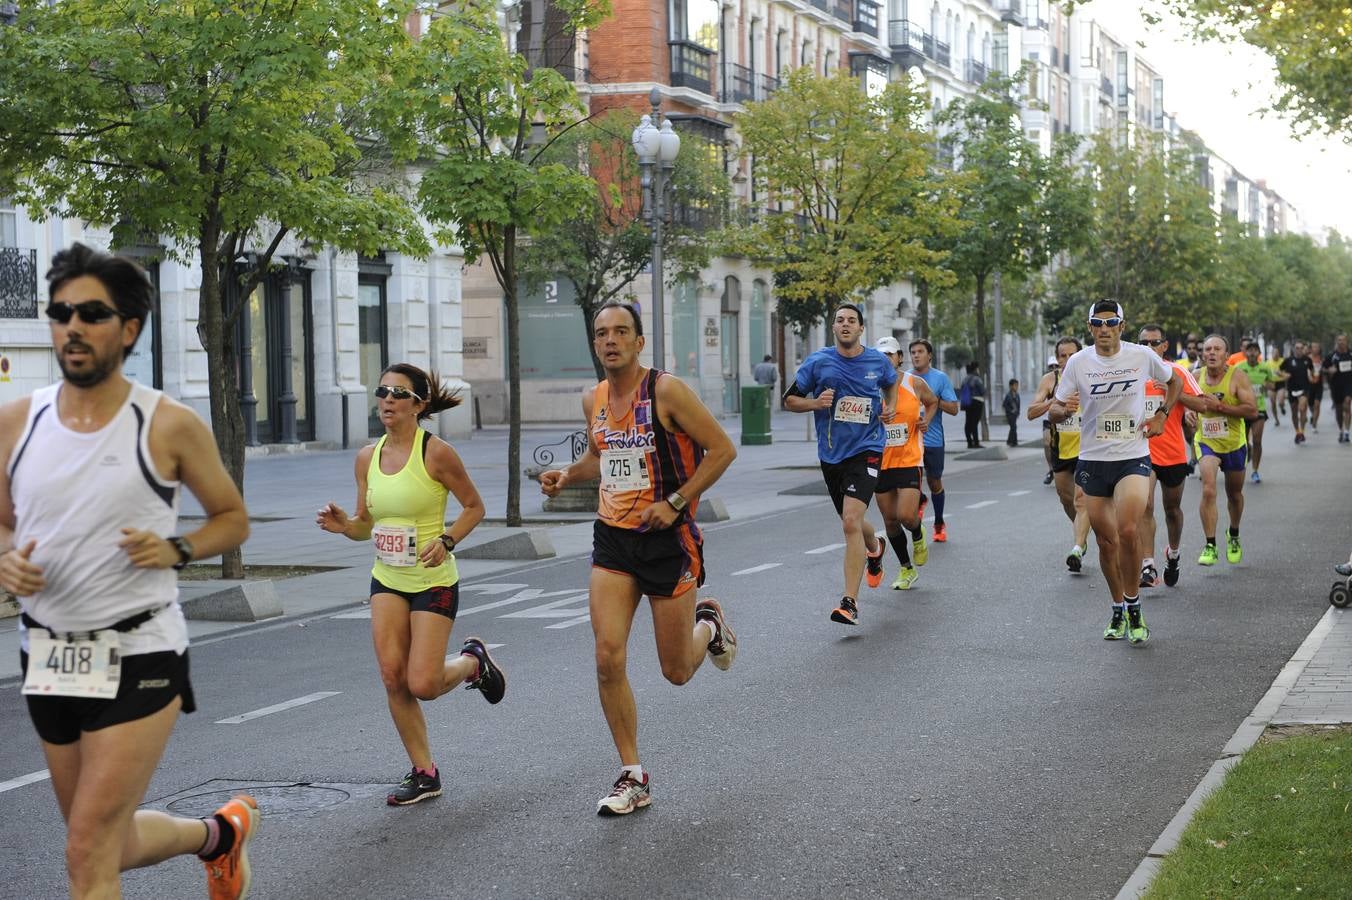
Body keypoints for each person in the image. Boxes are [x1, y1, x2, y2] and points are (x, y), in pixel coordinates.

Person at [0, 244, 256, 899]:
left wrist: (177, 550)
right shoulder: (16, 423)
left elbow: (230, 518)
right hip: (49, 653)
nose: (72, 327)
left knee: (86, 852)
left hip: (139, 651)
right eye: (61, 313)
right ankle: (220, 836)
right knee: (108, 844)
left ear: (129, 328)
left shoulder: (167, 424)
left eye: (91, 313)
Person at [539, 302, 738, 815]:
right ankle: (632, 775)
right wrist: (567, 475)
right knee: (608, 656)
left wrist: (674, 503)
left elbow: (721, 450)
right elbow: (600, 457)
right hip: (613, 539)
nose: (610, 340)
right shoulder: (595, 399)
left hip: (666, 540)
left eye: (621, 331)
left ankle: (708, 627)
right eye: (602, 333)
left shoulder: (666, 391)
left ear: (639, 341)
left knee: (676, 671)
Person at [317, 362, 504, 806]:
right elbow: (367, 524)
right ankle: (425, 773)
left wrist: (447, 539)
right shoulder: (367, 457)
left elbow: (474, 507)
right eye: (382, 391)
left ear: (419, 404)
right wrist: (347, 525)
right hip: (387, 578)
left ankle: (472, 663)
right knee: (392, 677)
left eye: (398, 393)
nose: (387, 400)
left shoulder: (436, 453)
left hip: (433, 580)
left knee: (423, 683)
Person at [1049, 300, 1181, 645]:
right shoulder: (1078, 363)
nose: (1104, 329)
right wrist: (1061, 412)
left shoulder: (1141, 355)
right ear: (1090, 327)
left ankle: (1135, 604)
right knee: (1106, 543)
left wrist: (1162, 414)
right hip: (1093, 460)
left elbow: (1175, 381)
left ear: (1122, 326)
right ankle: (1118, 606)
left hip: (1132, 456)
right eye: (1097, 323)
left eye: (1111, 323)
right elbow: (1056, 407)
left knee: (1127, 529)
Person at [784, 302, 897, 625]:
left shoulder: (877, 360)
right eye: (840, 320)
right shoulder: (818, 362)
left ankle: (849, 603)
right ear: (833, 327)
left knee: (849, 521)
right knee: (854, 523)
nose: (845, 324)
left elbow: (891, 384)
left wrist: (889, 406)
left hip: (868, 448)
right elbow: (790, 400)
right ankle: (875, 548)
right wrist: (814, 403)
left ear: (862, 329)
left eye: (851, 320)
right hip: (832, 453)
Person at [1136, 324, 1205, 588]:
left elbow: (1203, 404)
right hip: (1142, 451)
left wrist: (1172, 394)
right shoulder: (1132, 374)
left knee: (1172, 510)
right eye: (1143, 343)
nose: (1148, 348)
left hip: (1173, 453)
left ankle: (1173, 554)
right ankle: (1148, 565)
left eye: (1154, 343)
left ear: (1165, 346)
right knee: (1145, 505)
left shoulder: (1177, 372)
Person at [872, 337, 938, 591]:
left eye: (890, 355)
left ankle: (918, 532)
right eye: (880, 356)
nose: (885, 360)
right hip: (880, 461)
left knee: (906, 516)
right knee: (889, 520)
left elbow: (932, 402)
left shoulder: (914, 383)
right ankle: (906, 568)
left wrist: (927, 420)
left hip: (909, 458)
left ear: (899, 357)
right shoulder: (869, 387)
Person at [1028, 336, 1092, 573]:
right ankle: (1082, 533)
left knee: (1081, 499)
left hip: (1087, 450)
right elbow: (1031, 412)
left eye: (1071, 355)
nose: (1066, 360)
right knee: (1067, 501)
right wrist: (1053, 403)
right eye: (1062, 356)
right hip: (1061, 449)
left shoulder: (1090, 375)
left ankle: (1077, 545)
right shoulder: (1050, 379)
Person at [1194, 335, 1258, 566]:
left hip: (1233, 444)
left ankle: (1233, 533)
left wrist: (1220, 406)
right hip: (1207, 442)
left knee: (1234, 495)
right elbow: (1184, 402)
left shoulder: (1237, 377)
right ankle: (1210, 544)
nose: (1211, 353)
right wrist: (1189, 413)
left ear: (1226, 355)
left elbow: (1252, 411)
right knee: (1209, 489)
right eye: (1207, 348)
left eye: (1216, 349)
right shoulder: (1195, 377)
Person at [908, 340, 960, 542]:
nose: (916, 355)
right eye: (912, 352)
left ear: (929, 355)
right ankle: (919, 501)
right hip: (911, 440)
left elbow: (954, 409)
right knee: (911, 483)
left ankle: (939, 522)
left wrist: (934, 401)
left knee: (934, 481)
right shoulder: (905, 378)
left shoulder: (940, 378)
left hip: (933, 439)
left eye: (920, 352)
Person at [1235, 341, 1279, 483]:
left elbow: (1273, 385)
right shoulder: (1239, 368)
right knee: (1243, 442)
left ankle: (1255, 471)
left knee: (1257, 440)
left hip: (1258, 409)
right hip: (1242, 409)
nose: (1252, 353)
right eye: (1250, 350)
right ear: (1245, 353)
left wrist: (1266, 384)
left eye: (1255, 350)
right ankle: (1248, 450)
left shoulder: (1265, 368)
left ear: (1259, 353)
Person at [1279, 340, 1317, 444]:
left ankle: (1303, 431)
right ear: (1294, 349)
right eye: (1297, 348)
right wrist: (1283, 375)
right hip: (1292, 389)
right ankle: (1297, 432)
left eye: (1301, 348)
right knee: (1294, 412)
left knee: (1302, 408)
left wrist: (1311, 375)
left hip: (1304, 388)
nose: (1299, 350)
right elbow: (1279, 370)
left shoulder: (1307, 360)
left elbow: (1313, 370)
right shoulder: (1288, 360)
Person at [1322, 333, 1352, 443]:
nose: (1341, 342)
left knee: (1347, 404)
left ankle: (1347, 432)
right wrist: (1329, 370)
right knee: (1339, 410)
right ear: (1336, 342)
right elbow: (1323, 369)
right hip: (1336, 385)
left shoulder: (1350, 354)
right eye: (1339, 340)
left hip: (1349, 384)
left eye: (1343, 340)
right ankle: (1341, 430)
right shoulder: (1331, 356)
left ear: (1346, 341)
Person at [960, 361, 986, 448]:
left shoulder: (965, 379)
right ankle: (976, 442)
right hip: (977, 402)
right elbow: (982, 391)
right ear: (976, 369)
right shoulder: (977, 379)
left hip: (967, 402)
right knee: (975, 423)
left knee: (968, 422)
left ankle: (969, 442)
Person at [1042, 357, 1059, 484]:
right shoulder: (1047, 379)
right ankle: (1051, 470)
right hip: (1049, 417)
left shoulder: (1073, 374)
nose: (1054, 368)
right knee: (1047, 443)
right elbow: (1037, 402)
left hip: (1069, 418)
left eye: (1055, 365)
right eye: (1051, 366)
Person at [1308, 341, 1325, 432]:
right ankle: (1312, 414)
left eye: (1317, 347)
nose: (1315, 349)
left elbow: (1325, 368)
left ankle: (1314, 425)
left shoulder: (1322, 358)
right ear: (1311, 349)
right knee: (1310, 404)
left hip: (1319, 385)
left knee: (1317, 405)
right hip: (1309, 385)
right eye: (1313, 347)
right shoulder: (1307, 359)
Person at [1003, 379, 1021, 447]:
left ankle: (1009, 441)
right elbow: (1004, 405)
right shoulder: (1008, 395)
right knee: (1013, 427)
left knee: (1013, 427)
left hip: (1015, 414)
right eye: (1015, 385)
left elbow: (1018, 404)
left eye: (1017, 385)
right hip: (1010, 415)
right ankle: (1014, 442)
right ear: (1011, 386)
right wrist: (1010, 411)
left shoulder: (1017, 395)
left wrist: (1018, 412)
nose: (1016, 387)